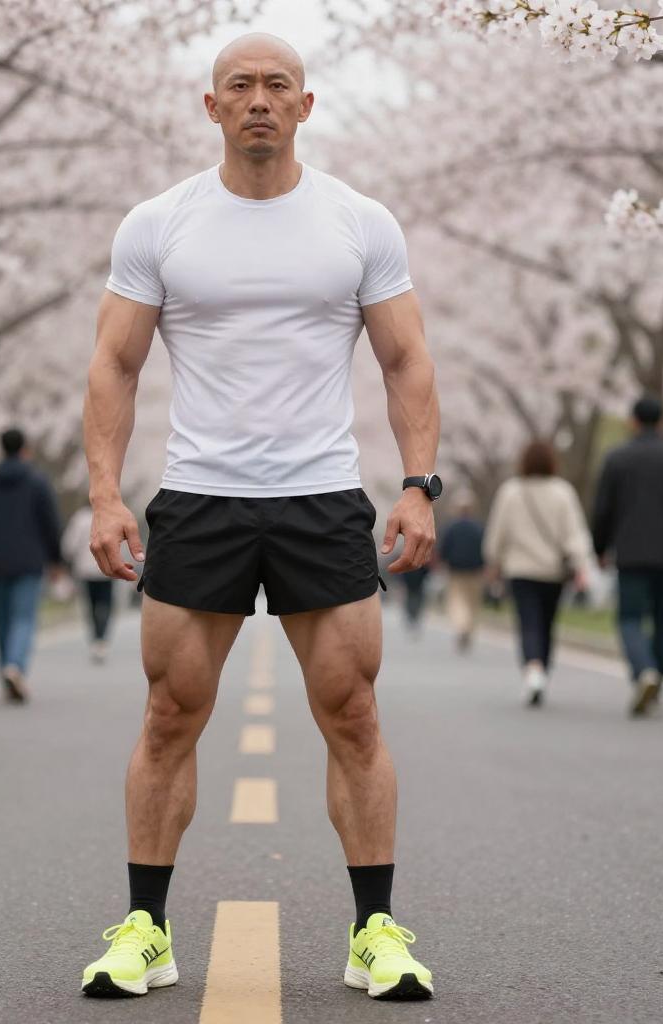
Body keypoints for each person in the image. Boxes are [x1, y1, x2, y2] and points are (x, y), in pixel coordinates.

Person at [79, 33, 441, 1002]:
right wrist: (106, 493)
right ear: (210, 106)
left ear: (306, 105)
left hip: (321, 496)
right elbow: (116, 362)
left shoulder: (359, 223)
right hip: (200, 496)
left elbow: (405, 358)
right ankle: (144, 931)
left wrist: (418, 483)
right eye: (238, 85)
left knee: (353, 712)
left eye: (277, 85)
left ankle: (376, 932)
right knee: (169, 713)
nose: (258, 101)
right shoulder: (160, 224)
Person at [591, 396, 663, 716]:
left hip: (630, 554)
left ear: (633, 421)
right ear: (662, 422)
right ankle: (656, 682)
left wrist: (599, 548)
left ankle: (644, 671)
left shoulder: (617, 459)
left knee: (629, 618)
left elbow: (603, 510)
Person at [483, 440, 591, 706]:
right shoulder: (563, 492)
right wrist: (581, 566)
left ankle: (533, 669)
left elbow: (498, 532)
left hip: (520, 570)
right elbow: (574, 532)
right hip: (553, 572)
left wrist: (493, 562)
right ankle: (541, 669)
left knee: (528, 622)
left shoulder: (510, 491)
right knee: (547, 623)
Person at [0, 427, 64, 704]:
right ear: (25, 450)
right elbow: (50, 523)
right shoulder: (37, 482)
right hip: (29, 560)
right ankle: (15, 666)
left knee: (2, 620)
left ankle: (6, 671)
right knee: (23, 618)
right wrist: (56, 560)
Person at [63, 502, 116, 664]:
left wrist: (70, 559)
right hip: (107, 569)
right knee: (106, 605)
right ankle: (102, 639)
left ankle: (96, 639)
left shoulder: (80, 519)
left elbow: (69, 545)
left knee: (92, 606)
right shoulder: (111, 517)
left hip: (86, 570)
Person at [438, 491, 485, 652]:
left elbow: (443, 549)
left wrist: (443, 562)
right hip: (475, 570)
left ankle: (461, 626)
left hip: (455, 569)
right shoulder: (478, 528)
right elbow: (484, 549)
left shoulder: (451, 528)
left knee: (457, 600)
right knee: (473, 603)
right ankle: (468, 628)